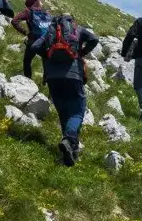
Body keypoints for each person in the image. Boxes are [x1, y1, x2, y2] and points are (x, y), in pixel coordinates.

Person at [31, 14, 99, 167]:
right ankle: (69, 140)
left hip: (52, 78)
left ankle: (70, 149)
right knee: (77, 111)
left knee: (63, 111)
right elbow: (94, 39)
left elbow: (34, 46)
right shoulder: (77, 30)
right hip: (73, 75)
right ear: (72, 21)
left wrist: (48, 56)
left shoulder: (49, 32)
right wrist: (80, 53)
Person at [11, 0, 52, 80]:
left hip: (33, 41)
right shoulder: (45, 12)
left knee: (27, 60)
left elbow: (14, 21)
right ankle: (46, 80)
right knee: (45, 59)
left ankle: (28, 79)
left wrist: (26, 32)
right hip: (46, 40)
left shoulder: (28, 11)